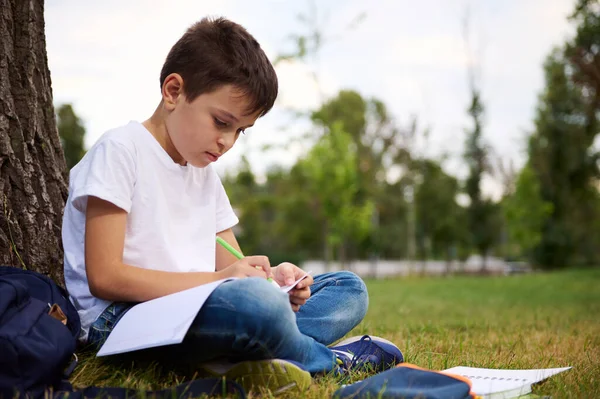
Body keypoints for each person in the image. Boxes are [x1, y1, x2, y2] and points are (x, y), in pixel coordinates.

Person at [62, 17, 403, 394]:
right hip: (122, 321)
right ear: (174, 91)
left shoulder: (203, 173)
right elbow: (105, 277)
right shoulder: (120, 151)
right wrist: (227, 285)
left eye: (240, 130)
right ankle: (327, 360)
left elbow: (233, 269)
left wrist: (276, 282)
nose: (227, 142)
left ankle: (251, 352)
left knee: (346, 288)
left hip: (196, 309)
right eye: (221, 122)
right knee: (255, 308)